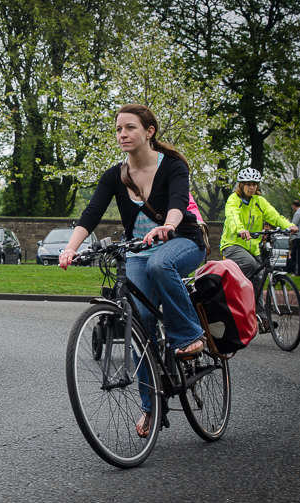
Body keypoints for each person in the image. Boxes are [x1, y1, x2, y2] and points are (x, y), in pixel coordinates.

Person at [58, 104, 207, 438]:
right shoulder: (114, 175)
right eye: (118, 129)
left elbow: (179, 204)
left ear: (149, 131)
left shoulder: (173, 167)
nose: (122, 135)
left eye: (129, 128)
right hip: (138, 250)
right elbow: (91, 213)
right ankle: (151, 407)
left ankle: (189, 336)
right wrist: (71, 247)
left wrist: (167, 227)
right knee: (140, 326)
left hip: (181, 241)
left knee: (160, 263)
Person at [219, 168, 297, 316]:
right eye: (248, 184)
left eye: (254, 184)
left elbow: (274, 216)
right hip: (232, 244)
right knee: (252, 266)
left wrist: (288, 226)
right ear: (241, 185)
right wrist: (240, 229)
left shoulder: (259, 201)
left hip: (253, 247)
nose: (252, 187)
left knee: (260, 275)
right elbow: (232, 216)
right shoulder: (233, 199)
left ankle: (259, 315)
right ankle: (239, 295)